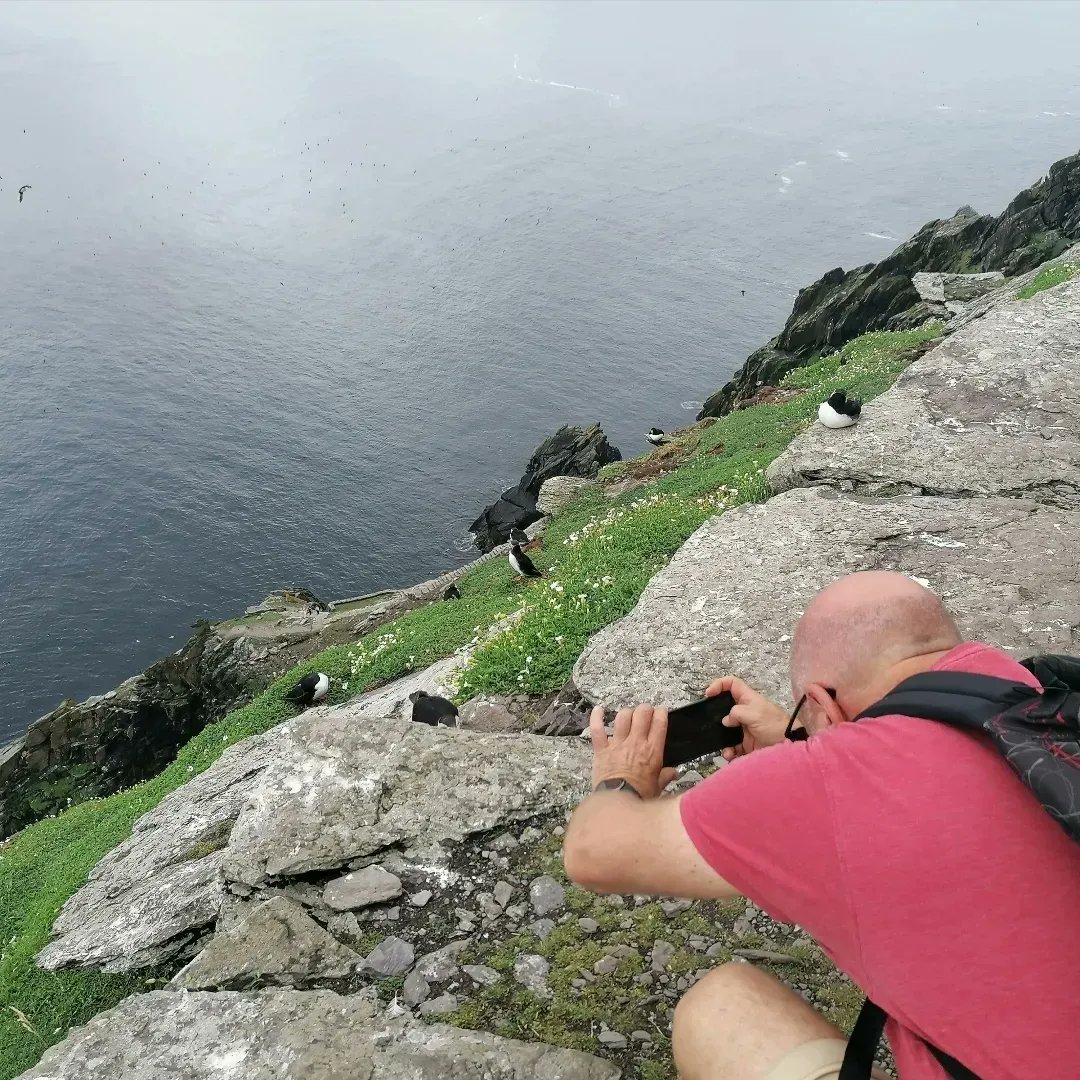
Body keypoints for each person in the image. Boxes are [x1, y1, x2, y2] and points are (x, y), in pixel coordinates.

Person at [562, 571, 1080, 1080]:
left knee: (721, 1009)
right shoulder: (1047, 700)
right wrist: (800, 740)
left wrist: (620, 776)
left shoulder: (832, 782)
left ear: (823, 704)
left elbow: (595, 852)